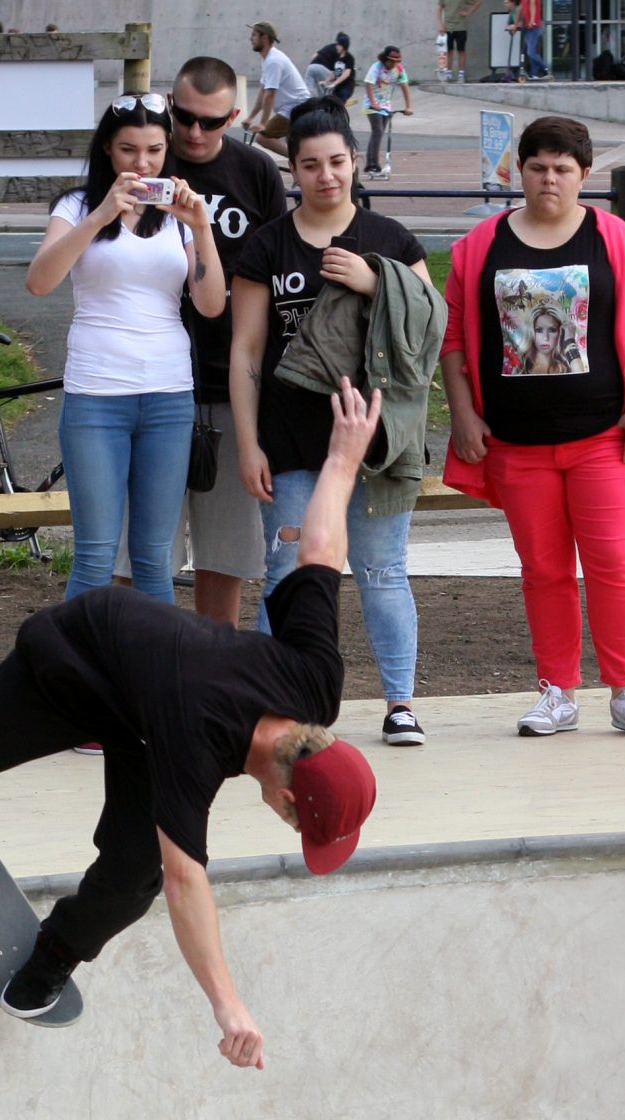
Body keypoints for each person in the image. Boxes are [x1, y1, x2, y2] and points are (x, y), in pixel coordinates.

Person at [0, 378, 383, 1057]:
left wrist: (341, 462)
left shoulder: (315, 686)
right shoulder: (198, 738)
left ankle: (55, 951)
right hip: (76, 661)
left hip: (147, 715)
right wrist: (228, 1007)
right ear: (285, 798)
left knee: (133, 875)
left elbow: (320, 554)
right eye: (296, 825)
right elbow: (188, 882)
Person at [443, 114, 625, 740]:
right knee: (542, 569)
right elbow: (453, 336)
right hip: (516, 443)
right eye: (537, 167)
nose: (549, 179)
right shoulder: (480, 247)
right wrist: (462, 413)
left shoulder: (616, 242)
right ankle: (557, 691)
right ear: (518, 171)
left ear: (584, 175)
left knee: (613, 563)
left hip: (602, 438)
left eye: (562, 169)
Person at [232, 103, 435, 746]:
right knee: (287, 573)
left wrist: (377, 283)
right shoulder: (267, 245)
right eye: (311, 164)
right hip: (290, 440)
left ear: (354, 162)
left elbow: (433, 325)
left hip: (375, 441)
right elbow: (246, 351)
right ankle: (275, 708)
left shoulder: (392, 240)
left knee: (381, 571)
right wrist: (248, 444)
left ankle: (400, 704)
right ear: (292, 169)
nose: (326, 176)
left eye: (338, 162)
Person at [27, 93, 224, 604]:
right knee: (95, 555)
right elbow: (40, 281)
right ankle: (75, 655)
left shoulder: (176, 215)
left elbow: (210, 304)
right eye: (129, 150)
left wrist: (201, 226)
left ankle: (155, 657)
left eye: (155, 150)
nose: (143, 163)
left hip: (167, 395)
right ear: (107, 151)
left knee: (154, 556)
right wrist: (100, 216)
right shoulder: (76, 207)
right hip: (96, 395)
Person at [166, 55, 288, 625]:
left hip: (232, 383)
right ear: (170, 106)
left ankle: (215, 665)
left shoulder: (255, 171)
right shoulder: (150, 159)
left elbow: (277, 269)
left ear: (234, 117)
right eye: (184, 117)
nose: (195, 132)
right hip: (157, 380)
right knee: (143, 556)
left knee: (226, 557)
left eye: (211, 122)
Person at [244, 23, 309, 145]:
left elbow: (269, 95)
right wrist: (250, 117)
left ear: (264, 38)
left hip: (296, 108)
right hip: (292, 108)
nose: (250, 39)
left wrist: (263, 124)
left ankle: (297, 157)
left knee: (263, 138)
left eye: (254, 35)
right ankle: (299, 156)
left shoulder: (274, 61)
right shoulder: (267, 59)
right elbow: (263, 92)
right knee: (293, 143)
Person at [362, 45, 411, 180]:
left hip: (386, 106)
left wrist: (408, 106)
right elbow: (368, 84)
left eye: (397, 61)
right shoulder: (376, 67)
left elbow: (405, 86)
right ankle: (372, 165)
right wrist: (373, 103)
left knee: (378, 133)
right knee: (377, 131)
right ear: (385, 59)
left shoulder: (399, 69)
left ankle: (371, 164)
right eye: (392, 61)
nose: (394, 64)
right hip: (371, 105)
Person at [308, 32, 356, 103]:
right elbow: (334, 73)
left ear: (343, 47)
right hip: (337, 87)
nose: (336, 47)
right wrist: (326, 81)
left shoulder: (349, 58)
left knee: (338, 103)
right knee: (330, 104)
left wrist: (334, 83)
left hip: (346, 87)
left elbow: (346, 73)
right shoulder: (337, 58)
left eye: (339, 45)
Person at [508, 0, 546, 83]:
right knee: (531, 52)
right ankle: (534, 75)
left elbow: (533, 5)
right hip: (527, 28)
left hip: (535, 27)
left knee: (531, 52)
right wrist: (515, 25)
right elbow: (520, 10)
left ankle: (545, 68)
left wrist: (532, 20)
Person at [438, 3, 470, 84]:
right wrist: (441, 25)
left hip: (461, 27)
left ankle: (461, 75)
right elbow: (439, 9)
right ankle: (448, 75)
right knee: (449, 51)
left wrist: (468, 12)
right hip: (448, 28)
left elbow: (478, 2)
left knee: (461, 51)